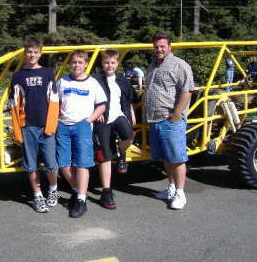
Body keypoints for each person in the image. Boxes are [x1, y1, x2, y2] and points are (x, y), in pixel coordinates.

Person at [145, 32, 194, 210]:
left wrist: (176, 115)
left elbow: (187, 90)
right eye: (156, 46)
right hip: (155, 120)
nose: (159, 49)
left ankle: (181, 193)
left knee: (177, 158)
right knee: (166, 157)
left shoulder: (179, 65)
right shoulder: (153, 64)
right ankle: (171, 188)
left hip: (170, 120)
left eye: (162, 46)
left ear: (169, 47)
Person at [10, 37, 60, 213]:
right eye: (29, 51)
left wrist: (51, 126)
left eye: (35, 52)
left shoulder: (47, 73)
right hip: (27, 127)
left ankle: (53, 190)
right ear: (25, 53)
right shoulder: (18, 76)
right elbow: (14, 106)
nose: (32, 55)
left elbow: (54, 101)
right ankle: (38, 196)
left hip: (46, 126)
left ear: (40, 53)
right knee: (31, 165)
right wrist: (18, 130)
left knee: (51, 164)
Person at [56, 50, 107, 218]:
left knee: (82, 164)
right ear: (70, 64)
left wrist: (90, 119)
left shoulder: (92, 83)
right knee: (63, 164)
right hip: (63, 126)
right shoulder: (62, 81)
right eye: (74, 62)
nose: (76, 65)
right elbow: (55, 103)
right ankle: (77, 190)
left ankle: (81, 200)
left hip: (82, 126)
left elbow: (102, 105)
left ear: (85, 64)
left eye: (80, 62)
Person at [92, 50, 136, 209]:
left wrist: (131, 115)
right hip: (103, 119)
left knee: (130, 135)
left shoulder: (122, 80)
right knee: (104, 155)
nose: (109, 65)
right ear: (102, 64)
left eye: (112, 63)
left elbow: (130, 98)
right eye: (106, 63)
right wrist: (95, 112)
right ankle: (106, 191)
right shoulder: (95, 79)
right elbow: (88, 97)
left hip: (118, 115)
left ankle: (121, 153)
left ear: (117, 64)